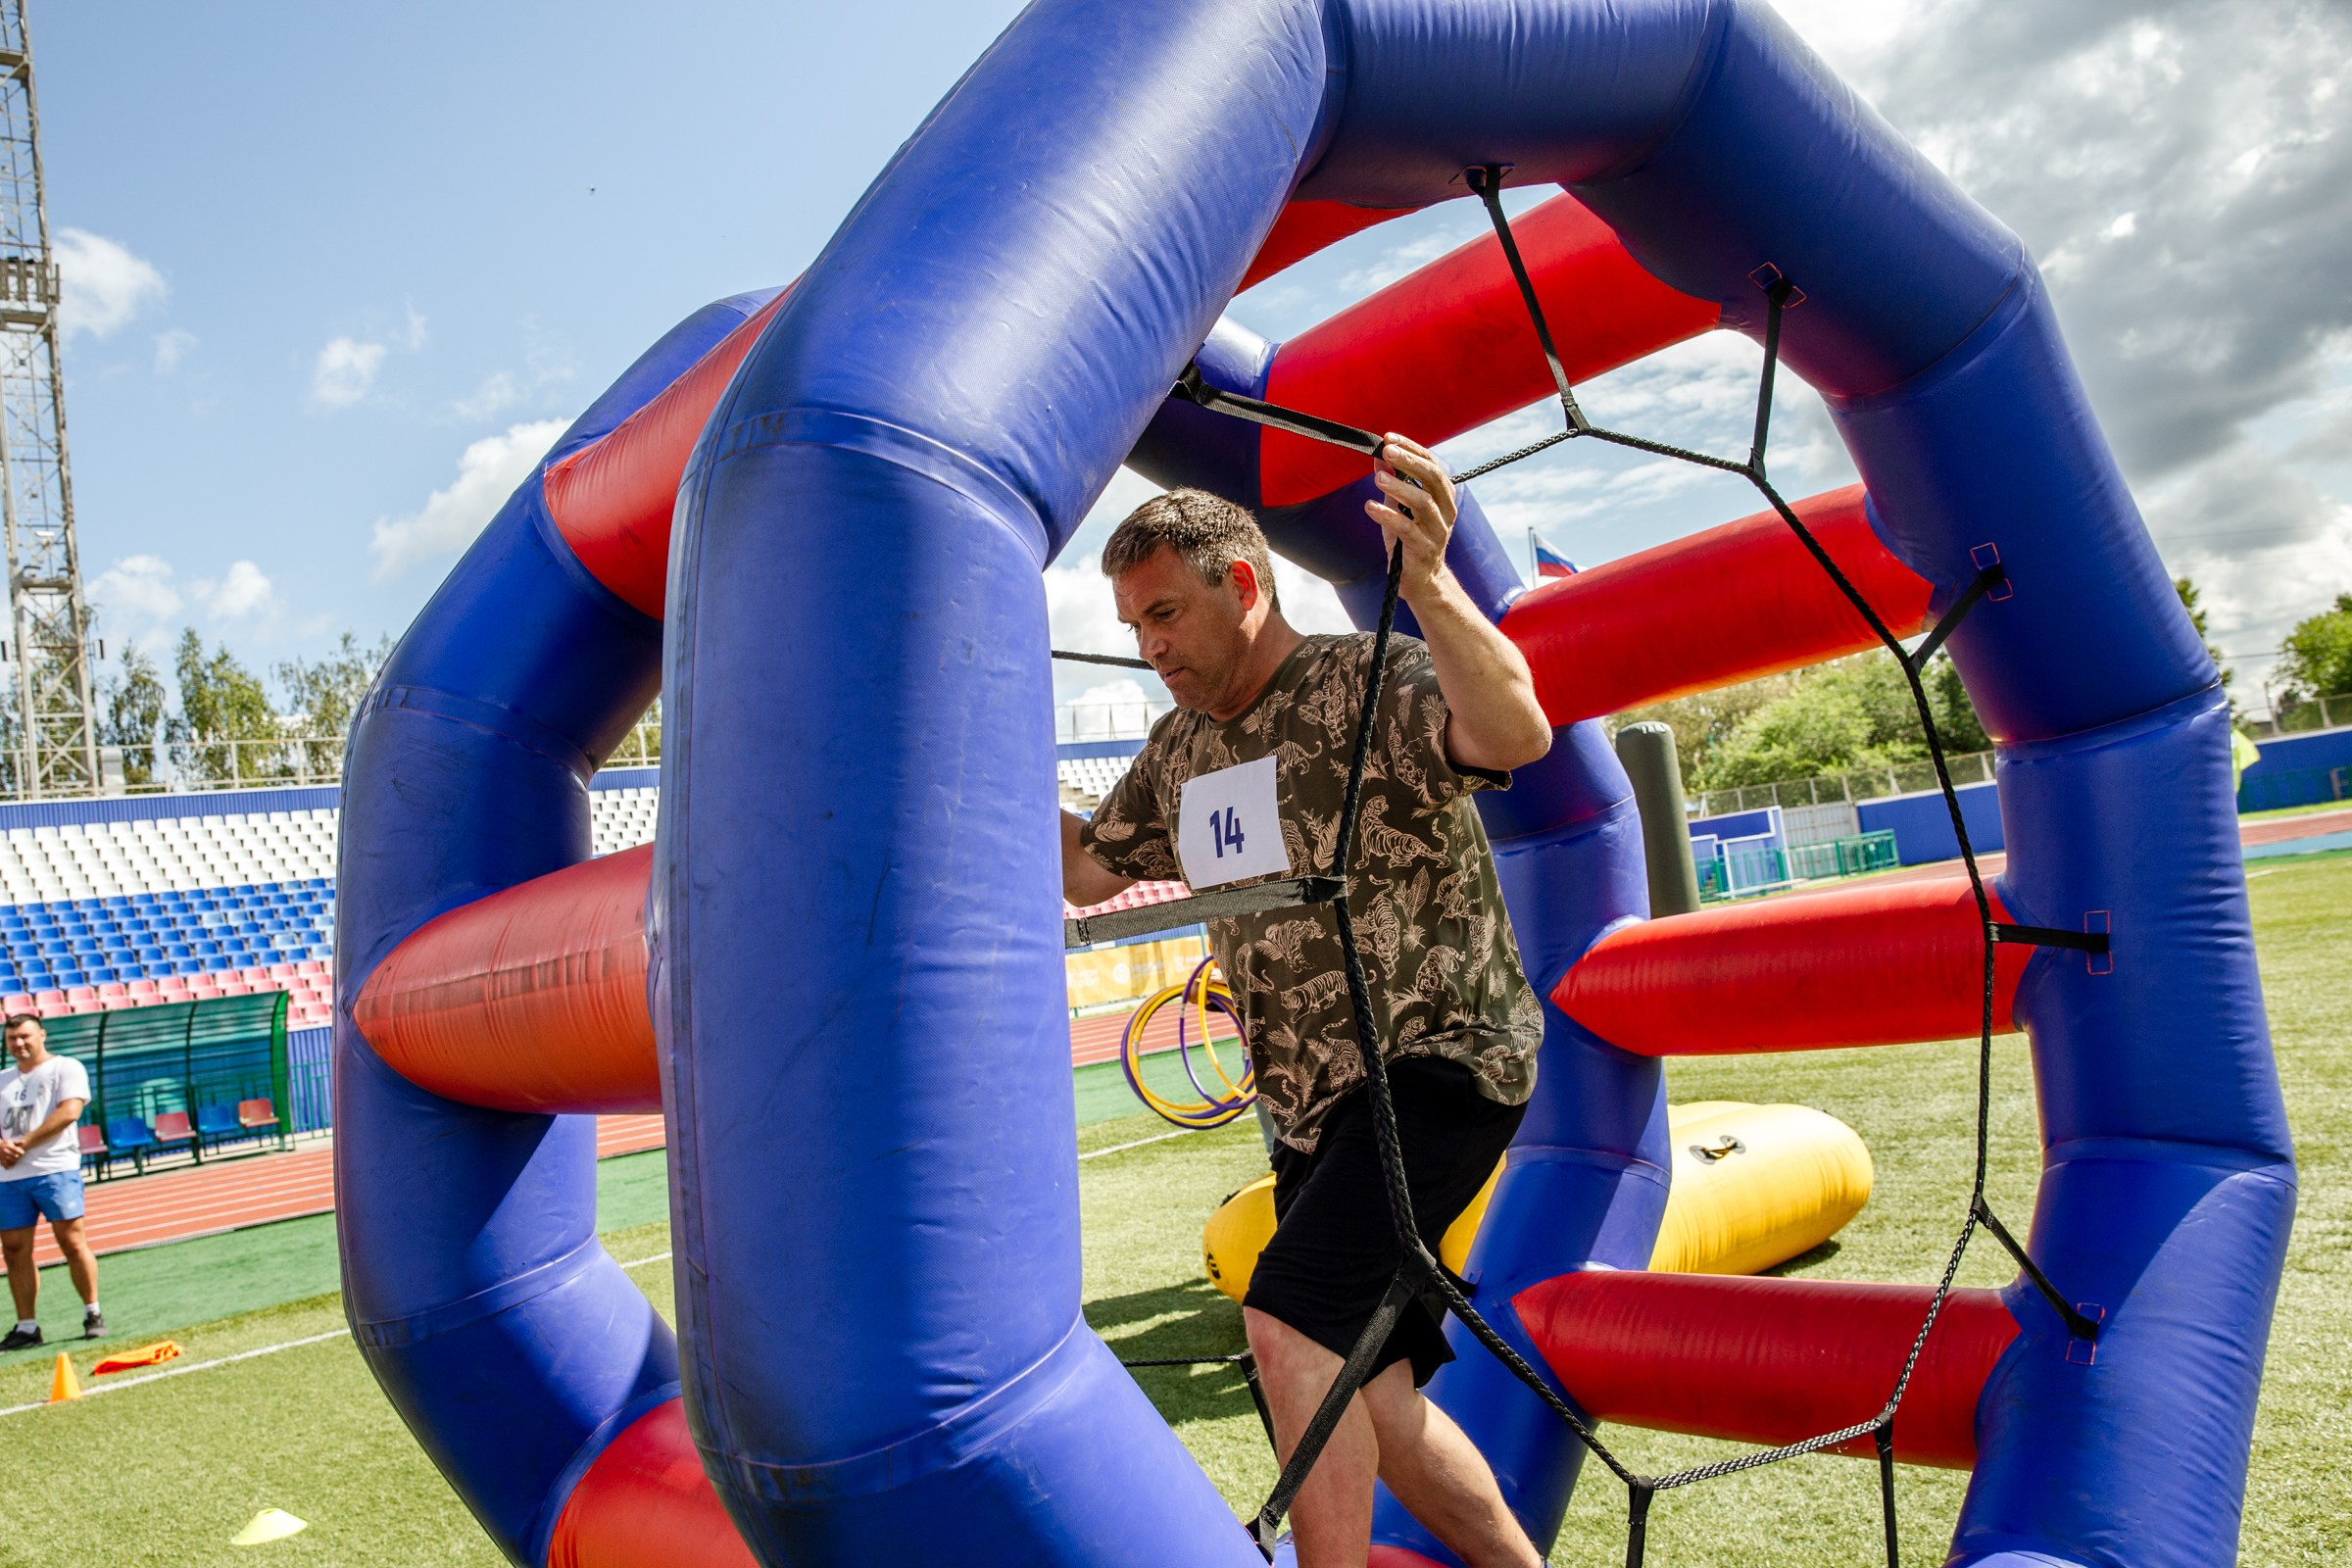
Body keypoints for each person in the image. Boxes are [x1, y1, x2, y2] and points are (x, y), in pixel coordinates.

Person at [1062, 436, 1551, 1567]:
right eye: (1135, 625)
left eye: (1167, 614)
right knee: (1369, 1397)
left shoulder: (1363, 679)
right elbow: (1087, 868)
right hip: (1314, 1107)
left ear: (1245, 582)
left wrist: (1428, 584)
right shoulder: (1180, 747)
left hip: (1440, 1065)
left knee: (1285, 1322)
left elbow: (1515, 731)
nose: (1151, 648)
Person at [0, 1014, 102, 1348]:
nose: (19, 1043)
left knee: (72, 1242)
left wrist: (22, 1143)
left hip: (55, 1169)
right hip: (9, 1176)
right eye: (12, 1038)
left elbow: (69, 1112)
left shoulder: (66, 1068)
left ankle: (93, 1312)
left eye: (25, 1036)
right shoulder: (2, 1079)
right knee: (14, 1251)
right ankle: (27, 1327)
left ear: (41, 1035)